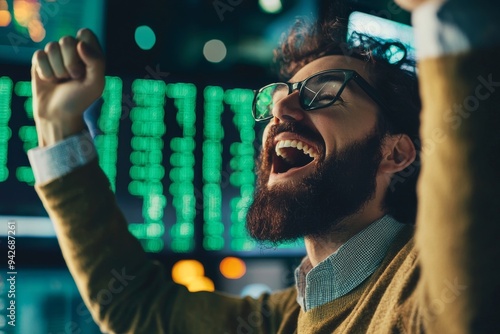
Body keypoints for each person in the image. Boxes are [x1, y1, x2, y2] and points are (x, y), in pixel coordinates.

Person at [28, 0, 500, 332]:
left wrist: (449, 14)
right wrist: (58, 128)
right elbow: (136, 306)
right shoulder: (280, 322)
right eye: (279, 97)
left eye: (322, 93)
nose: (282, 111)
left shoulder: (426, 285)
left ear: (394, 152)